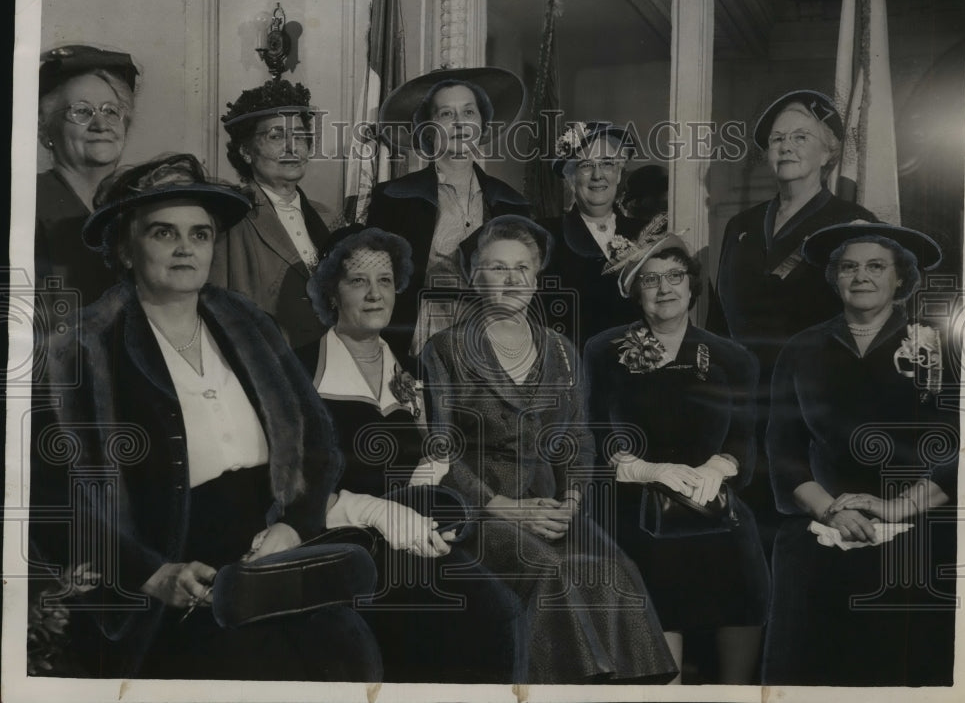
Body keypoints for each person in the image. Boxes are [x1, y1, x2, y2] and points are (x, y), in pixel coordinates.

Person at [28, 154, 430, 680]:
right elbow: (50, 497)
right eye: (163, 233)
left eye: (199, 235)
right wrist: (151, 574)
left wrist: (293, 524)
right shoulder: (81, 352)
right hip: (178, 568)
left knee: (351, 648)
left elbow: (317, 445)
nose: (184, 248)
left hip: (271, 548)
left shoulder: (250, 325)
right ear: (125, 250)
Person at [419, 214, 677, 684]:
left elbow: (578, 439)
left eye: (523, 269)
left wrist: (571, 502)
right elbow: (440, 450)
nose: (512, 279)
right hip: (477, 510)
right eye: (498, 268)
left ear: (536, 280)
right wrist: (505, 508)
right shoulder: (444, 349)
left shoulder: (560, 348)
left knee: (616, 569)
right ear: (474, 277)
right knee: (551, 571)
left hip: (552, 506)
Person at [298, 224, 526, 683]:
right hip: (339, 540)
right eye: (357, 280)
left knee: (502, 607)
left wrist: (422, 491)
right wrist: (374, 511)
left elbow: (437, 449)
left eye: (384, 280)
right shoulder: (299, 369)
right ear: (331, 291)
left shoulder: (413, 367)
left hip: (418, 532)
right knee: (445, 617)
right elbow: (288, 486)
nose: (374, 294)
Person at [763, 222, 957, 686]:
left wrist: (895, 506)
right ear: (835, 277)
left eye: (876, 266)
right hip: (823, 526)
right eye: (849, 267)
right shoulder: (802, 347)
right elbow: (782, 447)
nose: (861, 277)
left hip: (917, 532)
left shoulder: (942, 344)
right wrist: (829, 511)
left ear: (900, 278)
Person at [584, 233, 770, 684]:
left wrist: (719, 466)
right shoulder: (603, 350)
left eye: (674, 276)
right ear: (635, 291)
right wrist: (643, 468)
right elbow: (594, 432)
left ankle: (736, 692)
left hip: (712, 502)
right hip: (636, 504)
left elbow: (745, 439)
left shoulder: (733, 357)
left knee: (746, 577)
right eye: (651, 280)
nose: (664, 288)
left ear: (691, 286)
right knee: (657, 585)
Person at [707, 90, 879, 532]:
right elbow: (719, 324)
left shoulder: (853, 222)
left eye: (801, 137)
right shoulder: (740, 227)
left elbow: (871, 328)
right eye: (778, 138)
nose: (785, 146)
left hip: (815, 412)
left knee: (808, 540)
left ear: (829, 152)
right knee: (743, 534)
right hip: (743, 409)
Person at [366, 67, 531, 364]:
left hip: (493, 341)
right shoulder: (393, 198)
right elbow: (374, 284)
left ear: (482, 124)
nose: (459, 123)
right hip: (418, 341)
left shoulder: (513, 204)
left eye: (469, 113)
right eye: (445, 114)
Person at [210, 79, 335, 349]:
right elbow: (214, 309)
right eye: (276, 136)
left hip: (330, 364)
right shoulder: (230, 216)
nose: (292, 148)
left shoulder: (329, 218)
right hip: (265, 364)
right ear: (245, 151)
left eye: (300, 136)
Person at [36, 44, 139, 306]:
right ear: (46, 132)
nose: (100, 125)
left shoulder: (139, 204)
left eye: (110, 111)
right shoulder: (28, 204)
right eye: (81, 111)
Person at [539, 121, 645, 349]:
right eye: (586, 165)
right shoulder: (544, 236)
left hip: (638, 369)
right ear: (570, 178)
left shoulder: (648, 233)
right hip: (572, 368)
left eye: (608, 164)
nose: (598, 175)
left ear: (618, 174)